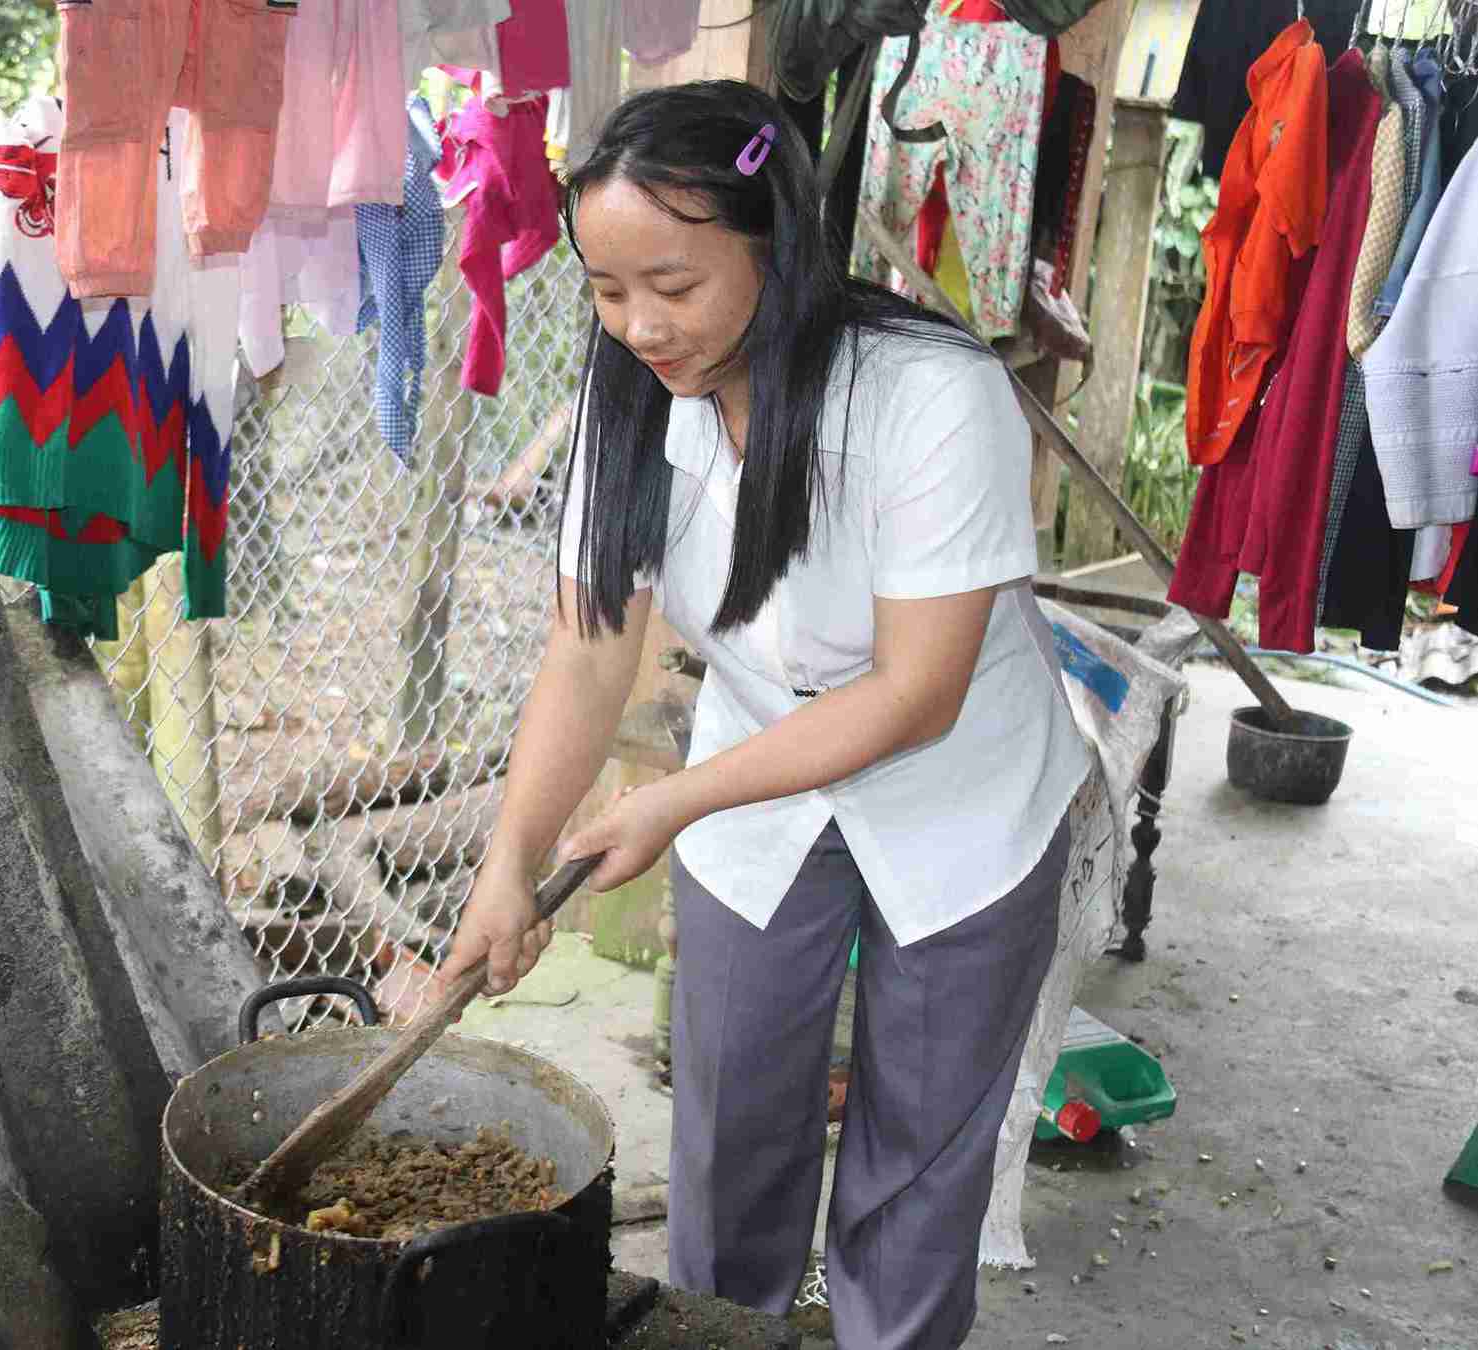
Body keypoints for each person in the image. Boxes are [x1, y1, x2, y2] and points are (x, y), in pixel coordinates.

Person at [434, 80, 1091, 1348]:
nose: (638, 327)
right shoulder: (625, 405)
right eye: (607, 291)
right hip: (757, 783)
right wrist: (508, 866)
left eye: (673, 288)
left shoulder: (928, 393)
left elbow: (916, 692)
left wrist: (672, 800)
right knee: (732, 1134)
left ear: (775, 244)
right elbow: (585, 661)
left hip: (962, 795)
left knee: (914, 1169)